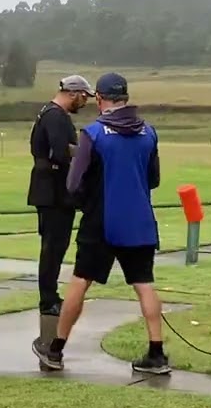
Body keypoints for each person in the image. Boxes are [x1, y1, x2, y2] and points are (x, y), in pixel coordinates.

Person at [31, 72, 169, 375]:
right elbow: (154, 178)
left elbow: (73, 181)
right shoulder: (149, 132)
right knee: (144, 284)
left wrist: (88, 198)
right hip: (141, 220)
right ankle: (157, 353)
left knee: (80, 281)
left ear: (100, 98)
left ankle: (55, 350)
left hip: (101, 221)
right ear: (126, 97)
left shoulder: (93, 134)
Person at [26, 74, 94, 317]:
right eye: (84, 96)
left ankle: (51, 295)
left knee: (55, 246)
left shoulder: (50, 113)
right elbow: (59, 152)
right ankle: (48, 299)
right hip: (52, 191)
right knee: (53, 247)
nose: (85, 102)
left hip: (50, 189)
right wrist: (88, 152)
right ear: (73, 93)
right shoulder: (55, 116)